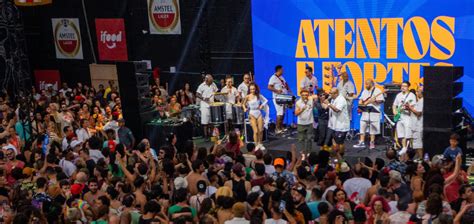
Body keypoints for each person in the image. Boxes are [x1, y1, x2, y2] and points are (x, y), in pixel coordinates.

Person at [353, 79, 384, 150]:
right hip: (365, 112)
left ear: (371, 84)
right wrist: (360, 102)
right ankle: (361, 142)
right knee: (362, 126)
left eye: (367, 84)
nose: (366, 85)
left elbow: (381, 100)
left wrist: (375, 101)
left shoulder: (377, 91)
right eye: (365, 84)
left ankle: (372, 142)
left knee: (372, 128)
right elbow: (361, 99)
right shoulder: (364, 91)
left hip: (374, 112)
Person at [323, 88, 349, 155]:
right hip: (334, 125)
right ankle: (336, 155)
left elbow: (337, 110)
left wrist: (328, 104)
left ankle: (341, 156)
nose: (329, 94)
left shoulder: (341, 100)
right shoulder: (333, 99)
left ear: (336, 94)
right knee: (335, 142)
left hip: (341, 125)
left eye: (331, 93)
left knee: (340, 143)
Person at [393, 81, 416, 155]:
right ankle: (404, 147)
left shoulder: (411, 95)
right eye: (402, 86)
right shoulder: (398, 95)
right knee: (401, 134)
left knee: (407, 134)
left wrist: (406, 108)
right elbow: (394, 105)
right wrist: (394, 111)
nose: (403, 87)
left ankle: (407, 148)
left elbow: (413, 107)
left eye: (405, 86)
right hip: (400, 117)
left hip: (407, 117)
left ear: (408, 87)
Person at [242, 83, 268, 150]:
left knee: (261, 130)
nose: (252, 90)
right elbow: (243, 104)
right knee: (256, 131)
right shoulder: (247, 96)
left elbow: (266, 100)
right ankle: (256, 145)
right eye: (251, 89)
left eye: (253, 89)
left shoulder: (258, 95)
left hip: (258, 113)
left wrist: (262, 105)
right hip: (252, 114)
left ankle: (260, 144)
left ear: (255, 89)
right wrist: (244, 108)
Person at [268, 65, 291, 134]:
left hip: (283, 97)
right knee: (279, 113)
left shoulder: (281, 77)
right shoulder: (273, 77)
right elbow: (269, 87)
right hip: (277, 97)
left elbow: (285, 84)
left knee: (283, 112)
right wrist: (277, 91)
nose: (283, 71)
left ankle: (281, 127)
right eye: (282, 70)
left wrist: (289, 90)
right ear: (279, 70)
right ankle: (277, 129)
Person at [294, 89, 317, 155]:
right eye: (303, 95)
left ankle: (309, 153)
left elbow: (316, 96)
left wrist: (311, 96)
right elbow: (296, 113)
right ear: (300, 95)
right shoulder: (298, 103)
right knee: (301, 139)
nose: (304, 96)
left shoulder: (310, 99)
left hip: (309, 123)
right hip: (301, 123)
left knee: (309, 139)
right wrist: (302, 109)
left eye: (306, 95)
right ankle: (303, 153)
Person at [196, 74, 218, 141]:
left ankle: (211, 135)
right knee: (205, 122)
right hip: (204, 105)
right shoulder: (201, 86)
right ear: (206, 80)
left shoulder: (213, 84)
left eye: (212, 80)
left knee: (211, 121)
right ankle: (206, 136)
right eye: (210, 80)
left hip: (212, 105)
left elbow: (216, 92)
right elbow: (197, 94)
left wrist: (217, 97)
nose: (212, 82)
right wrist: (204, 98)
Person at [408, 86, 423, 158]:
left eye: (418, 92)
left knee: (418, 144)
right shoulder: (419, 101)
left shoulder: (422, 101)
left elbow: (419, 113)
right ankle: (418, 158)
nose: (416, 93)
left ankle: (421, 159)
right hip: (415, 126)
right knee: (416, 144)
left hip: (418, 126)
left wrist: (410, 108)